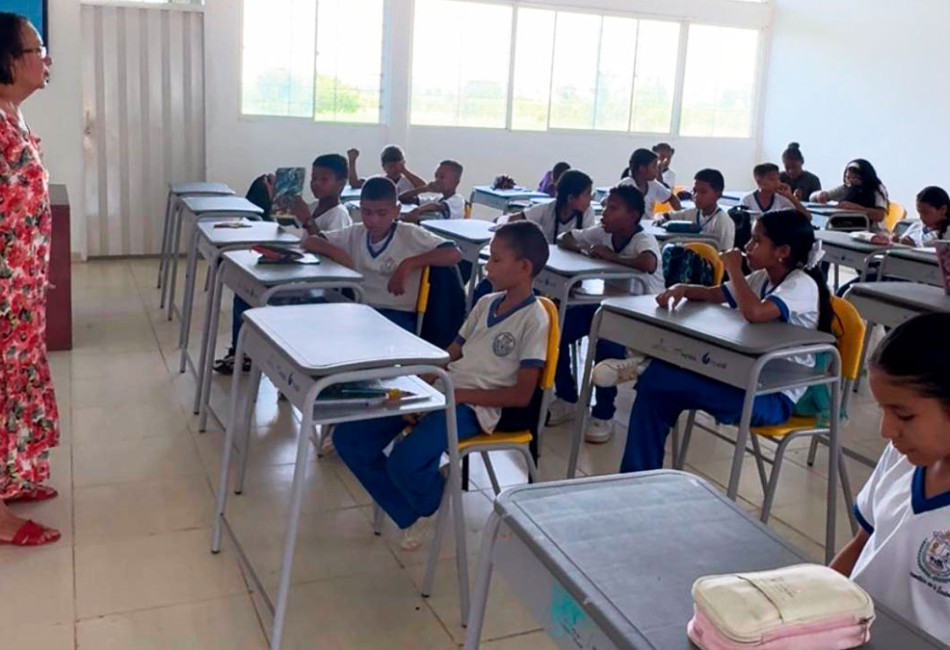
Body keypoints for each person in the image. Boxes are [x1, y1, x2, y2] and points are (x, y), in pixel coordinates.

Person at [332, 221, 550, 548]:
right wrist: (419, 387)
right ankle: (417, 505)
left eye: (495, 260)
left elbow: (521, 396)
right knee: (349, 439)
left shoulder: (535, 319)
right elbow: (450, 355)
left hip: (475, 407)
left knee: (404, 462)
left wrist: (456, 396)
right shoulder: (485, 303)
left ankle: (426, 498)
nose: (487, 267)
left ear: (524, 267)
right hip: (444, 391)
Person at [619, 210, 831, 472]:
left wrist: (733, 268)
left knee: (658, 379)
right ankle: (637, 477)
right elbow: (713, 294)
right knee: (654, 392)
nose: (747, 247)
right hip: (742, 377)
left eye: (756, 241)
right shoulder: (763, 278)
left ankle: (646, 366)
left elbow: (754, 313)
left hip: (772, 397)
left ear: (783, 251)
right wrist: (681, 288)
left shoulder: (801, 284)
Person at [830, 313, 950, 642]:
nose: (886, 430)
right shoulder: (901, 458)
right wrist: (812, 605)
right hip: (854, 635)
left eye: (904, 415)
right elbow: (863, 542)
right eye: (882, 410)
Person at [0, 12, 61, 546]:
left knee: (15, 389)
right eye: (37, 49)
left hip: (18, 293)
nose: (46, 58)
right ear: (7, 61)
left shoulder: (11, 116)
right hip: (3, 295)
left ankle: (10, 479)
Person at [213, 154, 354, 375]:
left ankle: (251, 353)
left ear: (341, 184)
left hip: (319, 286)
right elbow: (285, 226)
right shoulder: (314, 207)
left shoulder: (339, 215)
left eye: (324, 179)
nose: (316, 183)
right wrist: (277, 200)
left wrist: (307, 220)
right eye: (313, 178)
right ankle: (241, 351)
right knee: (244, 290)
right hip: (301, 273)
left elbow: (331, 254)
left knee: (256, 293)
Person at [547, 185, 664, 443]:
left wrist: (612, 258)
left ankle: (604, 413)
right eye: (606, 207)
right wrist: (583, 250)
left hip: (642, 315)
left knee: (607, 345)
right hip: (611, 307)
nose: (605, 213)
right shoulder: (603, 232)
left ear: (633, 216)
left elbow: (648, 263)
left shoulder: (643, 239)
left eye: (613, 208)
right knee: (557, 329)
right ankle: (567, 398)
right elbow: (566, 237)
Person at [303, 177, 461, 332]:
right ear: (360, 208)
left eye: (382, 213)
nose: (373, 220)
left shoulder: (410, 234)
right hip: (361, 310)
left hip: (398, 316)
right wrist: (339, 254)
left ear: (396, 210)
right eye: (367, 212)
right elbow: (311, 241)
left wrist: (409, 264)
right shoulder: (355, 232)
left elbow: (453, 253)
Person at [655, 168, 735, 251]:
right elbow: (664, 216)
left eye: (703, 192)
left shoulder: (723, 222)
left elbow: (726, 254)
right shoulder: (691, 213)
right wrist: (660, 219)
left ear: (718, 194)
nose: (696, 196)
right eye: (694, 191)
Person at [509, 169, 596, 243]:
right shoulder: (547, 209)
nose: (591, 198)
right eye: (587, 194)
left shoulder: (587, 213)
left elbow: (588, 242)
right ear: (570, 198)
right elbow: (512, 220)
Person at [810, 159, 888, 230]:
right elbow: (813, 198)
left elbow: (879, 216)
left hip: (871, 230)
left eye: (855, 178)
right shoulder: (846, 187)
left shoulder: (877, 189)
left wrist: (857, 208)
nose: (851, 181)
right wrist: (820, 195)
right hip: (845, 227)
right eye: (848, 178)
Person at [619, 148, 681, 220]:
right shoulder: (625, 186)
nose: (657, 170)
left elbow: (672, 198)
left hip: (648, 225)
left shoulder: (652, 184)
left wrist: (680, 216)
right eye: (654, 166)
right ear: (642, 168)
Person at [877, 186, 949, 247]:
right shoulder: (916, 226)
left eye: (926, 213)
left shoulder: (947, 234)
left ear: (943, 209)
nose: (921, 218)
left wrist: (914, 247)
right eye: (919, 213)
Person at [399, 159, 465, 221]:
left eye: (442, 177)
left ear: (456, 182)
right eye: (436, 176)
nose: (437, 180)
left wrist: (418, 210)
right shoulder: (438, 199)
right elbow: (402, 199)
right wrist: (424, 189)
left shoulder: (458, 200)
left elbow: (438, 206)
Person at [346, 145, 426, 194]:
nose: (394, 170)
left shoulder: (408, 181)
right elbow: (355, 184)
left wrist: (404, 171)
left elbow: (425, 187)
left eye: (397, 166)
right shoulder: (378, 180)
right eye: (391, 166)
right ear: (383, 167)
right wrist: (352, 162)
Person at [740, 163, 810, 218]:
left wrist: (790, 196)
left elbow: (807, 217)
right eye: (772, 179)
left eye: (778, 179)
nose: (777, 183)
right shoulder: (747, 200)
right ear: (759, 182)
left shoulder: (782, 198)